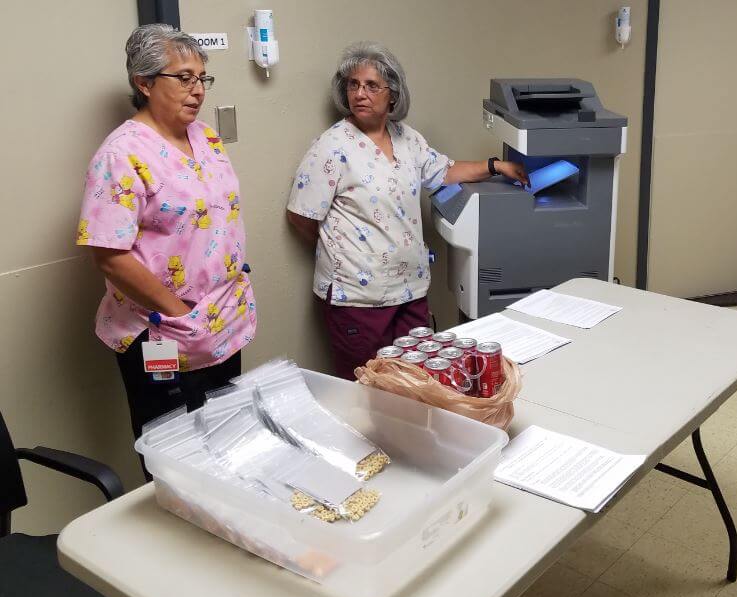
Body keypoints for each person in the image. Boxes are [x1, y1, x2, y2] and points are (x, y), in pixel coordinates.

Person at [287, 41, 527, 380]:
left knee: (415, 384)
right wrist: (343, 253)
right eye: (353, 85)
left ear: (393, 95)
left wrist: (495, 165)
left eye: (372, 86)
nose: (360, 93)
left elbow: (443, 170)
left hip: (410, 291)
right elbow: (300, 216)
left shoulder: (407, 139)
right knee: (365, 386)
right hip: (357, 297)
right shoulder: (331, 146)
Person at [77, 24, 257, 467]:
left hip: (221, 325)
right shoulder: (121, 154)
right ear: (144, 82)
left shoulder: (205, 138)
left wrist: (212, 312)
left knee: (228, 443)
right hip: (162, 333)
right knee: (175, 456)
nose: (197, 91)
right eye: (184, 78)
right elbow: (110, 256)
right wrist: (181, 314)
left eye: (202, 78)